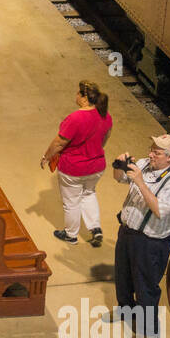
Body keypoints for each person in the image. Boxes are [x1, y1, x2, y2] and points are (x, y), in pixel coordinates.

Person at [107, 134, 170, 338]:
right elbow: (118, 177)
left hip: (151, 243)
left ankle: (148, 332)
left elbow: (159, 210)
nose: (150, 155)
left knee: (146, 287)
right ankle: (125, 310)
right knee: (123, 276)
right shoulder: (144, 164)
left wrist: (141, 182)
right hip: (128, 232)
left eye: (156, 153)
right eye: (151, 149)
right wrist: (118, 163)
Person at [41, 81, 112, 246]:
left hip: (73, 168)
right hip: (97, 166)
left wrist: (46, 157)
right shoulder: (105, 116)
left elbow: (59, 143)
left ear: (85, 98)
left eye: (78, 93)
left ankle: (71, 235)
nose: (76, 96)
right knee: (89, 194)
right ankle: (95, 228)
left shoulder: (75, 118)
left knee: (71, 202)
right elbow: (105, 137)